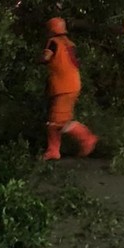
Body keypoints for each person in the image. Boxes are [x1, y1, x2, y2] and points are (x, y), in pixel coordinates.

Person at [41, 17, 97, 161]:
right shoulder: (70, 43)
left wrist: (37, 58)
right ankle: (53, 150)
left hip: (63, 86)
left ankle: (87, 139)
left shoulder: (54, 42)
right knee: (54, 121)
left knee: (58, 122)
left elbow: (46, 58)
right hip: (72, 84)